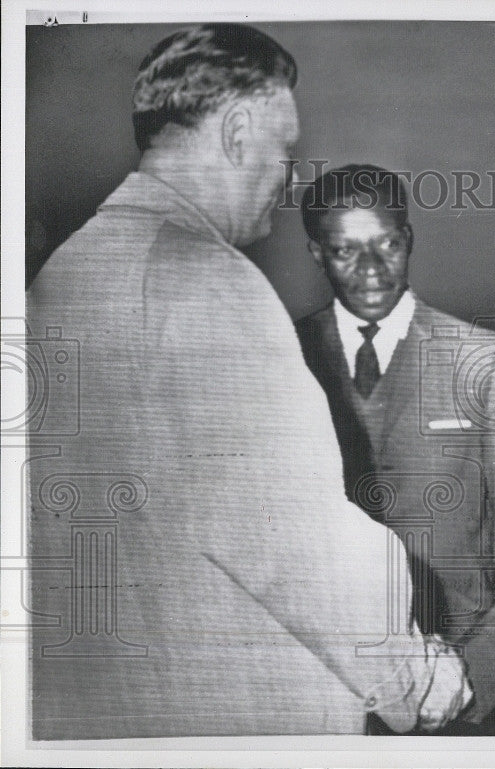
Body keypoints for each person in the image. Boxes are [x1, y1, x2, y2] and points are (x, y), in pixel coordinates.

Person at [26, 24, 469, 739]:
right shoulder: (209, 280)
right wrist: (418, 679)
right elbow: (297, 545)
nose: (291, 178)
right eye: (284, 151)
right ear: (236, 132)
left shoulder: (62, 275)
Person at [295, 165, 495, 734]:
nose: (372, 270)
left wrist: (475, 686)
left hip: (459, 704)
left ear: (410, 239)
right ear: (315, 253)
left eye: (387, 245)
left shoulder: (482, 359)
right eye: (345, 251)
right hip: (321, 705)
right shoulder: (282, 355)